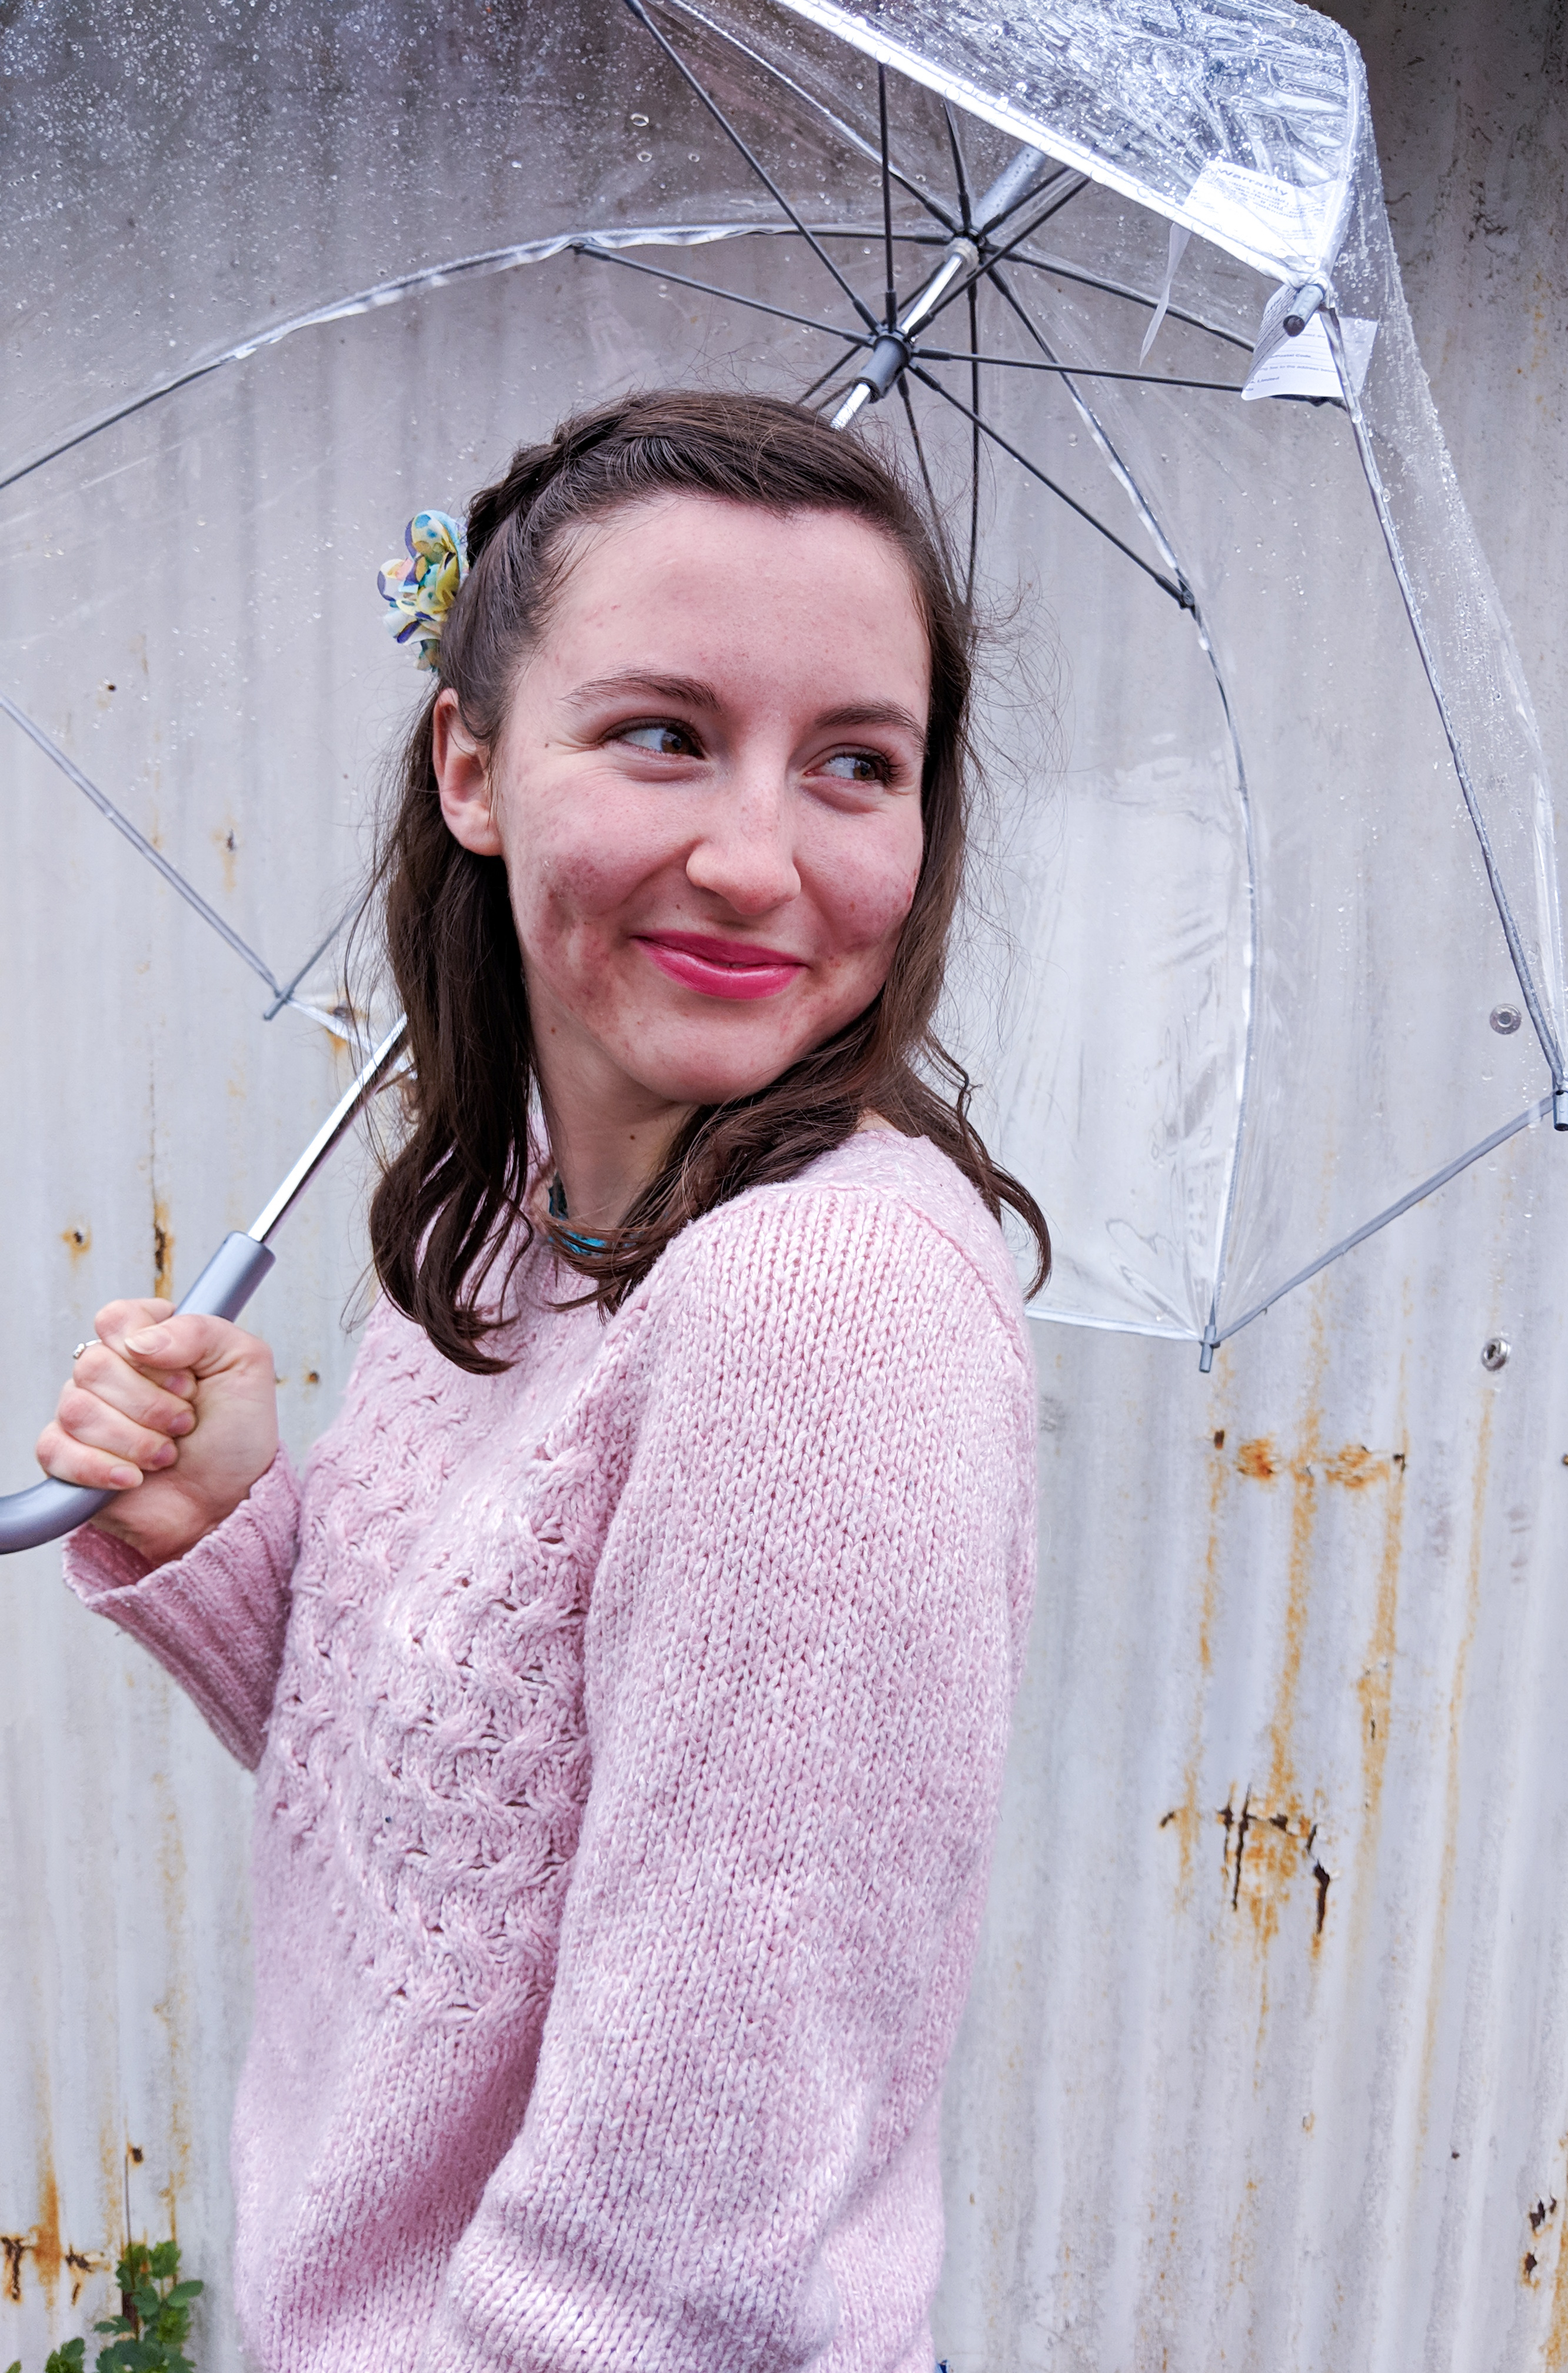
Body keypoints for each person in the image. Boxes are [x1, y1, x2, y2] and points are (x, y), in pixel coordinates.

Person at [36, 391, 1044, 2373]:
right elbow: (474, 1844)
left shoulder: (817, 1301)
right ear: (473, 767)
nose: (758, 858)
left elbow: (684, 2255)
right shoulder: (513, 1218)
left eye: (858, 762)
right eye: (666, 733)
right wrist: (236, 1533)